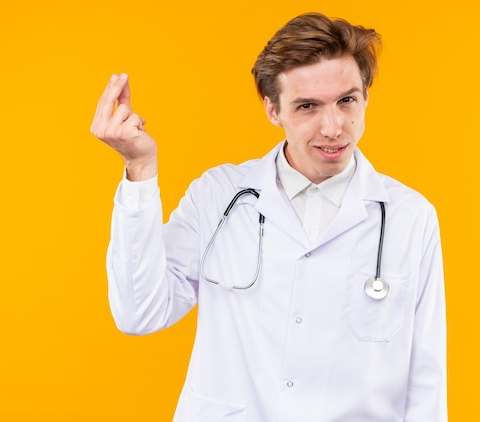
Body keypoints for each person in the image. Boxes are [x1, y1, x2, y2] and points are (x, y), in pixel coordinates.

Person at [91, 12, 447, 422]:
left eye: (346, 100)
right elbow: (140, 313)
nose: (333, 127)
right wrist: (139, 169)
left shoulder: (409, 216)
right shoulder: (219, 196)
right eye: (307, 106)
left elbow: (426, 378)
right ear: (272, 110)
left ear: (365, 96)